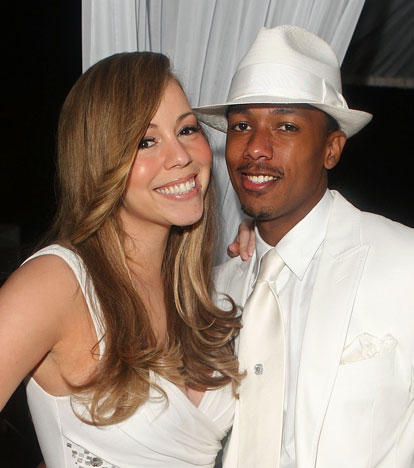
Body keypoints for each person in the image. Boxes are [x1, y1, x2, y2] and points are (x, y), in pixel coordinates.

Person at [0, 51, 243, 468]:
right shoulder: (56, 283)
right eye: (146, 141)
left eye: (186, 129)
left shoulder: (200, 295)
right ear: (100, 160)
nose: (181, 156)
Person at [195, 25, 414, 468]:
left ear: (331, 149)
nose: (256, 148)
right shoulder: (213, 293)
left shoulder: (403, 263)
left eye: (286, 126)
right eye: (241, 126)